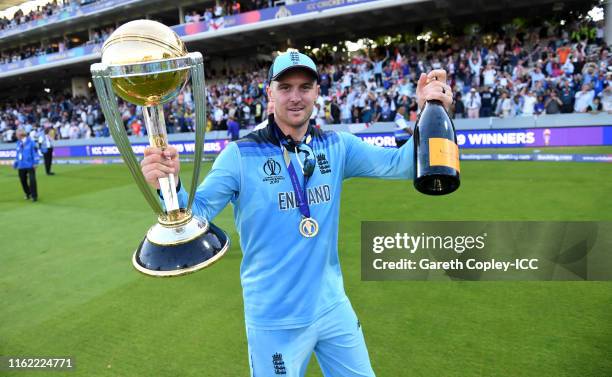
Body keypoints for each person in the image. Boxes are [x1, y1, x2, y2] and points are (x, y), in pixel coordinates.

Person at [140, 51, 453, 377]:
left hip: (333, 308)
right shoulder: (239, 156)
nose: (295, 97)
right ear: (269, 93)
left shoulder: (337, 145)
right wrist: (170, 183)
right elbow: (198, 213)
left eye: (305, 87)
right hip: (275, 319)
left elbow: (400, 165)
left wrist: (429, 112)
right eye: (285, 87)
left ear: (317, 92)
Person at [13, 128, 39, 202]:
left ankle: (34, 196)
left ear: (20, 134)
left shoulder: (31, 142)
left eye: (16, 134)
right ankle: (28, 193)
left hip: (30, 164)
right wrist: (16, 163)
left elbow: (35, 153)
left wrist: (36, 162)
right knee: (23, 180)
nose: (16, 135)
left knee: (32, 180)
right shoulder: (18, 143)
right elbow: (18, 154)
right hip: (21, 165)